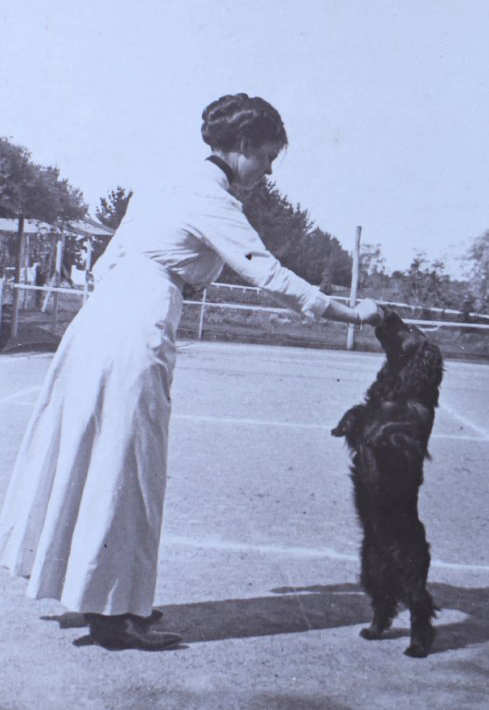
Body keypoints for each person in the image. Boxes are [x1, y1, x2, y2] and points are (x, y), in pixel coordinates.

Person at [0, 93, 382, 650]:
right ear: (244, 146)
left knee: (88, 455)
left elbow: (109, 260)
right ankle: (115, 617)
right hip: (137, 319)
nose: (269, 170)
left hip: (101, 316)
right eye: (269, 156)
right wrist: (351, 312)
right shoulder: (213, 199)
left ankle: (100, 595)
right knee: (130, 466)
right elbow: (267, 274)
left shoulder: (165, 181)